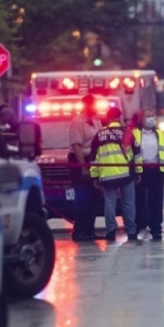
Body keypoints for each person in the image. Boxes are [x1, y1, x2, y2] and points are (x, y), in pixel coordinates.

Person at [90, 106, 138, 241]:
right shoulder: (126, 133)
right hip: (125, 174)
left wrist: (95, 175)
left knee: (109, 203)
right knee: (128, 203)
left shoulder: (99, 135)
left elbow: (93, 158)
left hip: (107, 175)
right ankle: (131, 231)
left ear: (108, 118)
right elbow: (137, 153)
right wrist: (138, 172)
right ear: (119, 118)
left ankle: (111, 231)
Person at [132, 108, 164, 241]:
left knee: (156, 200)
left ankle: (156, 228)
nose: (151, 119)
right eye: (147, 116)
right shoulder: (134, 134)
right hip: (140, 171)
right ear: (141, 119)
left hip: (156, 171)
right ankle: (137, 227)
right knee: (138, 200)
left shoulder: (161, 135)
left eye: (152, 116)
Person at [68, 94, 104, 241]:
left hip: (93, 161)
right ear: (87, 105)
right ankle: (80, 231)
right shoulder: (78, 122)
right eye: (94, 105)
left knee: (93, 197)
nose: (96, 108)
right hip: (80, 161)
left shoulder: (94, 121)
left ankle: (90, 230)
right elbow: (76, 145)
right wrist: (83, 167)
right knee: (82, 197)